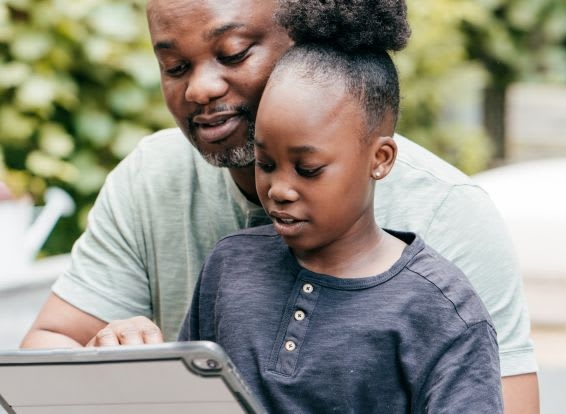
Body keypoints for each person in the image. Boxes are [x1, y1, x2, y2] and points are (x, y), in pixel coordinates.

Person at [20, 0, 538, 411]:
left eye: (235, 52)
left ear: (308, 43)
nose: (199, 89)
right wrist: (112, 359)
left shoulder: (448, 216)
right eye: (175, 66)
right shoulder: (166, 191)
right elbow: (45, 357)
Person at [180, 1, 503, 412]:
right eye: (265, 163)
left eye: (308, 168)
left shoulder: (440, 310)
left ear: (380, 159)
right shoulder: (229, 265)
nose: (279, 189)